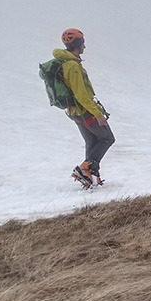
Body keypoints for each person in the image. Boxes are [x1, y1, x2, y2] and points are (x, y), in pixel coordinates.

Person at [54, 28, 115, 187]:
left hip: (75, 112)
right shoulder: (72, 66)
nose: (84, 47)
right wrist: (98, 114)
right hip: (85, 111)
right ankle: (84, 169)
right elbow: (81, 95)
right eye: (83, 43)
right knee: (108, 138)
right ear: (78, 44)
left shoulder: (65, 63)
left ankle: (91, 177)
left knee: (92, 141)